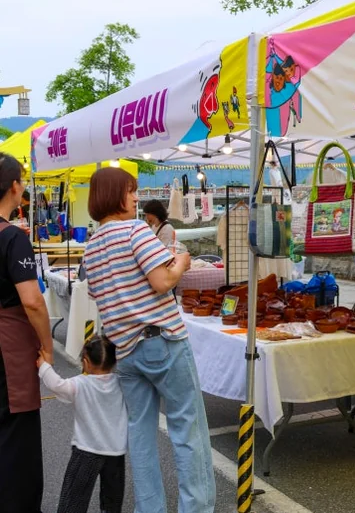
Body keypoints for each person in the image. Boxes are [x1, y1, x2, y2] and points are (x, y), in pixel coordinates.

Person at [83, 167, 215, 513]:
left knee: (140, 438)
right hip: (162, 340)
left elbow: (100, 294)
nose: (135, 198)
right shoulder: (135, 231)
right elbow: (162, 281)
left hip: (124, 351)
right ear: (114, 195)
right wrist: (183, 262)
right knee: (187, 431)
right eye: (130, 191)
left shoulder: (91, 247)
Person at [0, 152, 53, 512]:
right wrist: (48, 347)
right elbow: (32, 301)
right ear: (15, 187)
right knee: (15, 436)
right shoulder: (13, 238)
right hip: (8, 348)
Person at [38, 335, 127, 513]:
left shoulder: (81, 384)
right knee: (112, 501)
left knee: (73, 500)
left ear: (86, 362)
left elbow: (57, 385)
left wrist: (44, 366)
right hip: (116, 451)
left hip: (87, 451)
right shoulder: (122, 383)